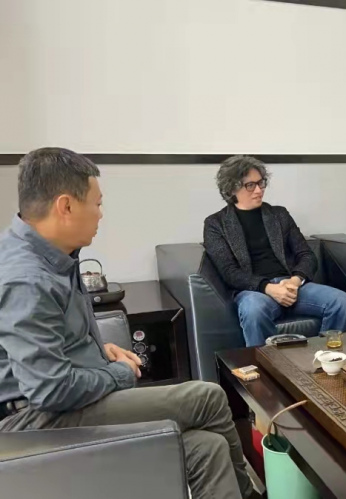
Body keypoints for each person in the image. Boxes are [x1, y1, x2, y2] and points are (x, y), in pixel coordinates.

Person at [0, 148, 258, 499]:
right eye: (97, 204)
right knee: (207, 398)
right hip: (36, 420)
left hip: (52, 401)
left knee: (207, 447)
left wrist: (96, 348)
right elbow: (50, 390)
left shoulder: (51, 252)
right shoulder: (25, 279)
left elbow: (45, 341)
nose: (101, 214)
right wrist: (119, 374)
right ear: (66, 206)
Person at [203, 155, 346, 347]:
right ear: (232, 188)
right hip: (254, 291)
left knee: (341, 301)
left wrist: (295, 280)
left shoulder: (279, 215)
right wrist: (268, 288)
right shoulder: (216, 224)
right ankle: (268, 364)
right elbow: (229, 272)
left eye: (261, 183)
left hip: (290, 284)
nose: (259, 190)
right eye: (250, 185)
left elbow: (306, 255)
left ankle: (325, 357)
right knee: (254, 310)